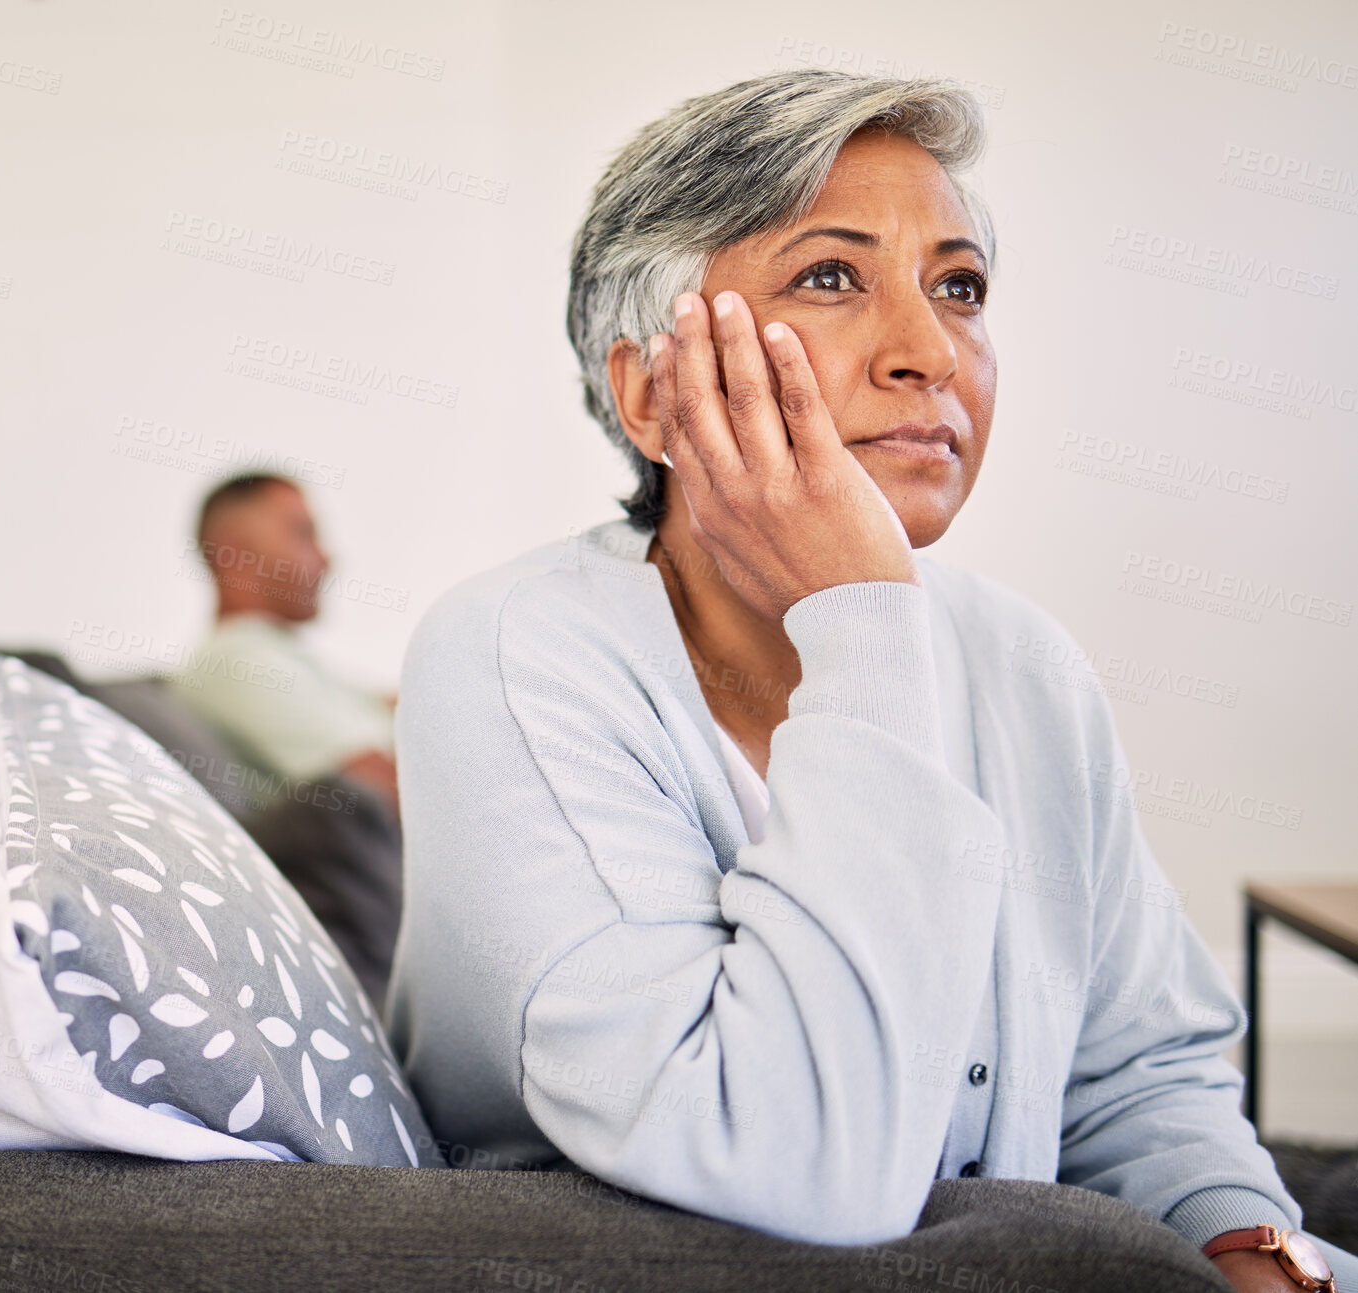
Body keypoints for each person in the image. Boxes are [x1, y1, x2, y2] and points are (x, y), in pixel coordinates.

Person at [386, 70, 1355, 1292]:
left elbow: (1139, 1074)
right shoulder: (512, 655)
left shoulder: (1025, 662)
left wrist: (1259, 1253)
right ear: (647, 390)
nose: (931, 351)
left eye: (959, 287)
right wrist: (864, 627)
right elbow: (795, 1164)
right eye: (831, 276)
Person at [172, 473, 398, 811]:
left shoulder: (274, 655)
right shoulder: (236, 660)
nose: (325, 557)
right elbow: (386, 792)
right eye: (303, 535)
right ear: (236, 552)